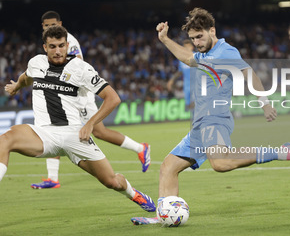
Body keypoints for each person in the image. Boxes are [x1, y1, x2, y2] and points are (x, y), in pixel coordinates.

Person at [131, 8, 290, 225]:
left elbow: (249, 73)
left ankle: (280, 151)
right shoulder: (203, 54)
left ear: (212, 30)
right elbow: (187, 57)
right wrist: (164, 39)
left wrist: (264, 102)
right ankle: (162, 217)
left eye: (200, 36)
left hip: (215, 118)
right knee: (168, 167)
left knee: (220, 163)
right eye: (193, 38)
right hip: (199, 124)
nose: (197, 42)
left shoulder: (226, 52)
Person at [1, 25, 156, 212]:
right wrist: (17, 86)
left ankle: (135, 194)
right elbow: (27, 77)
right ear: (45, 47)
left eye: (60, 46)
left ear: (67, 45)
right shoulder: (36, 63)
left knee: (112, 182)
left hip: (74, 134)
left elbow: (113, 98)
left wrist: (90, 124)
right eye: (52, 47)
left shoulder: (81, 69)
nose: (57, 51)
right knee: (5, 139)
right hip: (43, 134)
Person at [30, 11, 151, 189]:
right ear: (43, 27)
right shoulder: (52, 42)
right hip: (65, 95)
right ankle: (52, 178)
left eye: (53, 24)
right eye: (47, 26)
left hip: (80, 96)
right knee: (55, 127)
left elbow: (76, 64)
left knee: (98, 132)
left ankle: (140, 148)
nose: (50, 28)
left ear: (61, 23)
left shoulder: (69, 41)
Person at [167, 39, 195, 109]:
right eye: (185, 47)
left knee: (195, 104)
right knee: (189, 106)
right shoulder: (182, 60)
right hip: (187, 86)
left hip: (196, 86)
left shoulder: (196, 57)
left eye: (188, 46)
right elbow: (180, 72)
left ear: (192, 47)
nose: (186, 48)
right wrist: (172, 80)